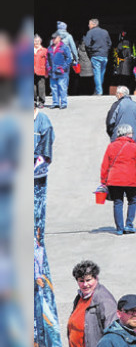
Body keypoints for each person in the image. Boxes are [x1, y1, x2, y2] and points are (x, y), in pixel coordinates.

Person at [100, 124, 136, 235]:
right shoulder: (134, 147)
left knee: (118, 202)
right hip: (131, 179)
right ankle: (129, 225)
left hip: (114, 179)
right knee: (133, 201)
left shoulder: (111, 146)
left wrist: (103, 180)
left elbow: (105, 165)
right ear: (128, 134)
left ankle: (119, 228)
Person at [33, 101, 54, 243]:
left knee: (37, 203)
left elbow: (48, 140)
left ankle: (38, 234)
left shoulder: (43, 119)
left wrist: (38, 157)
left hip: (37, 167)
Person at [83, 18, 112, 95]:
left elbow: (87, 44)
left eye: (89, 24)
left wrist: (92, 51)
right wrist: (105, 50)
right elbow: (109, 43)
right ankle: (98, 90)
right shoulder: (105, 32)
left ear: (93, 24)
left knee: (97, 73)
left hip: (96, 55)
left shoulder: (90, 32)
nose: (88, 25)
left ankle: (99, 91)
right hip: (104, 56)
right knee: (101, 74)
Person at [48, 33, 71, 108]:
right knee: (53, 87)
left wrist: (63, 68)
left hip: (61, 72)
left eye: (55, 38)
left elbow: (69, 59)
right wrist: (48, 68)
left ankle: (64, 103)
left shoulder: (64, 47)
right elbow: (47, 60)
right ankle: (55, 103)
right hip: (52, 71)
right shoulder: (50, 48)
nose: (53, 40)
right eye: (52, 38)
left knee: (62, 87)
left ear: (59, 38)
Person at [33, 34, 48, 105]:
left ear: (40, 42)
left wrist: (47, 71)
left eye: (38, 41)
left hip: (41, 70)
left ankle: (42, 101)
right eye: (35, 41)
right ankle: (34, 101)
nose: (36, 42)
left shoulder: (44, 50)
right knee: (33, 87)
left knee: (41, 86)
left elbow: (48, 61)